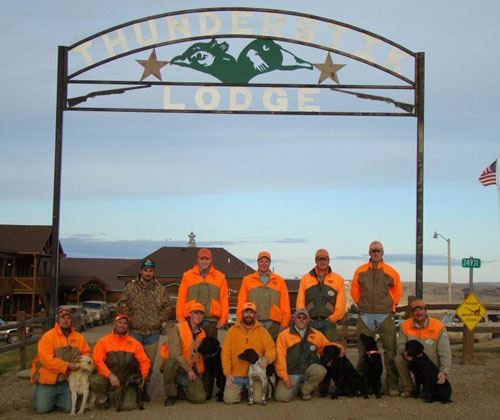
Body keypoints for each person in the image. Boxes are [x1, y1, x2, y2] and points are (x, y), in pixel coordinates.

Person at [351, 240, 403, 396]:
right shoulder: (360, 271)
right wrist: (361, 304)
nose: (375, 253)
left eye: (378, 250)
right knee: (362, 353)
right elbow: (355, 291)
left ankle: (392, 384)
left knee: (390, 351)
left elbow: (398, 291)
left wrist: (391, 305)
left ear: (382, 253)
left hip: (385, 315)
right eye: (373, 250)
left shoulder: (391, 271)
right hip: (365, 315)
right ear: (369, 253)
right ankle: (360, 384)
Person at [118, 258, 173, 401]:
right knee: (132, 361)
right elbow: (122, 303)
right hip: (135, 332)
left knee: (148, 363)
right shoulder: (131, 287)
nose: (148, 273)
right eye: (146, 270)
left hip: (152, 334)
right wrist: (131, 318)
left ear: (153, 272)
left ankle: (144, 389)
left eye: (151, 270)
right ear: (141, 271)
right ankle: (130, 389)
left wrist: (158, 320)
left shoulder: (160, 289)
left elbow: (168, 307)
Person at [275, 308, 345, 402]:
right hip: (291, 372)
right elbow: (280, 359)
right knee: (281, 397)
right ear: (294, 319)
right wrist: (285, 378)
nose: (301, 320)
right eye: (299, 317)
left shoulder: (316, 334)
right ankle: (296, 386)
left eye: (304, 318)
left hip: (308, 369)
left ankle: (305, 390)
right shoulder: (283, 336)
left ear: (308, 320)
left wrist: (339, 347)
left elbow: (326, 346)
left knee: (321, 371)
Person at [31, 305, 91, 414]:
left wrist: (81, 359)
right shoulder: (48, 337)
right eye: (62, 317)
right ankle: (41, 395)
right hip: (48, 381)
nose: (65, 321)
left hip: (66, 381)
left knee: (69, 408)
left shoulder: (79, 338)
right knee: (41, 409)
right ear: (58, 319)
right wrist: (67, 366)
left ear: (71, 320)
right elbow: (46, 360)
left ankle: (55, 399)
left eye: (68, 318)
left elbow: (87, 353)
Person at [90, 313, 151, 410]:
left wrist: (143, 378)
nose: (122, 325)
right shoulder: (103, 342)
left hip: (126, 379)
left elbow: (145, 362)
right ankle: (103, 399)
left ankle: (120, 394)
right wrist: (110, 375)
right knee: (95, 380)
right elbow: (98, 361)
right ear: (115, 323)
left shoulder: (135, 343)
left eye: (125, 323)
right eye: (120, 322)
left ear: (128, 326)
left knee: (129, 406)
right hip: (109, 376)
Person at [394, 300, 452, 397]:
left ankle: (428, 388)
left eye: (421, 310)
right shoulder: (405, 325)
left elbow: (445, 352)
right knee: (398, 359)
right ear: (412, 313)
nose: (418, 313)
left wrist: (443, 372)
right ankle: (409, 388)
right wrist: (404, 352)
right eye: (415, 310)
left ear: (426, 311)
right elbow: (400, 343)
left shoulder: (438, 326)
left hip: (431, 363)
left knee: (429, 393)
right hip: (412, 359)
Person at [221, 302, 276, 404]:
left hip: (256, 375)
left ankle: (255, 389)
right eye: (246, 312)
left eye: (251, 312)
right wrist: (228, 374)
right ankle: (243, 390)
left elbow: (271, 348)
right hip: (236, 374)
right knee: (229, 400)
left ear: (255, 314)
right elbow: (225, 354)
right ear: (242, 313)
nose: (248, 315)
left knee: (258, 400)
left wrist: (267, 359)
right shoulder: (232, 331)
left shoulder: (262, 331)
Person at [160, 301, 207, 406]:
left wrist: (198, 372)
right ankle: (171, 395)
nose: (198, 316)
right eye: (196, 313)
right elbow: (175, 353)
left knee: (200, 398)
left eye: (201, 313)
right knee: (170, 363)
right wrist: (189, 370)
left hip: (190, 370)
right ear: (190, 314)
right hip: (177, 367)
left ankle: (181, 389)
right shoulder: (178, 328)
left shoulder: (202, 333)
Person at [237, 251, 291, 341]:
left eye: (266, 261)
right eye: (261, 261)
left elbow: (285, 304)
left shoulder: (279, 281)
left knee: (272, 348)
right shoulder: (247, 280)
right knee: (254, 348)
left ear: (270, 263)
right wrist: (240, 321)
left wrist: (284, 323)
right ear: (257, 262)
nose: (264, 263)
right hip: (253, 323)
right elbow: (241, 303)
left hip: (274, 324)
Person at [176, 248, 229, 338]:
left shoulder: (220, 277)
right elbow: (181, 298)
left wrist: (223, 319)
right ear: (198, 260)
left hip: (211, 320)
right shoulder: (187, 276)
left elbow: (224, 299)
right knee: (189, 345)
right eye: (202, 259)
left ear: (211, 260)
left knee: (210, 345)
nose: (204, 261)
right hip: (191, 319)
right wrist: (181, 319)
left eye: (206, 259)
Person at [296, 249, 346, 341]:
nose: (322, 262)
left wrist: (333, 319)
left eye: (324, 259)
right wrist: (304, 318)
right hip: (310, 323)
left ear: (328, 260)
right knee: (311, 349)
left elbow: (341, 303)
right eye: (320, 259)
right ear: (316, 261)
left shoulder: (338, 279)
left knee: (329, 348)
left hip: (329, 323)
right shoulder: (305, 279)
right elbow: (300, 302)